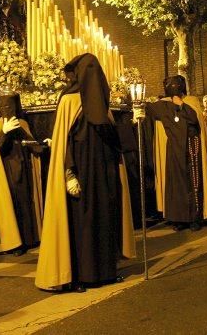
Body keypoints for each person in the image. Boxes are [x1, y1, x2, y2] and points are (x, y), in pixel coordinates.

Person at [36, 53, 134, 292]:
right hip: (81, 174)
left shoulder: (102, 103)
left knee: (104, 222)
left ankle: (105, 272)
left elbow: (114, 139)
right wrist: (69, 173)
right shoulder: (69, 101)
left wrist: (134, 123)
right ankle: (79, 276)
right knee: (82, 224)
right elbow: (64, 142)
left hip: (104, 174)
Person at [147, 75, 207, 231]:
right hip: (174, 149)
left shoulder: (191, 102)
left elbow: (194, 119)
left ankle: (194, 218)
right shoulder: (162, 105)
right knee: (176, 184)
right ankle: (178, 218)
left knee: (193, 183)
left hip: (191, 147)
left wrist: (181, 104)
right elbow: (145, 109)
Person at [0, 94, 43, 255]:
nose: (7, 110)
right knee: (11, 204)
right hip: (5, 172)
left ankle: (28, 239)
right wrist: (3, 132)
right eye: (3, 107)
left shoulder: (23, 123)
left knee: (25, 202)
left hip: (23, 169)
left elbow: (34, 146)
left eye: (10, 107)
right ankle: (14, 242)